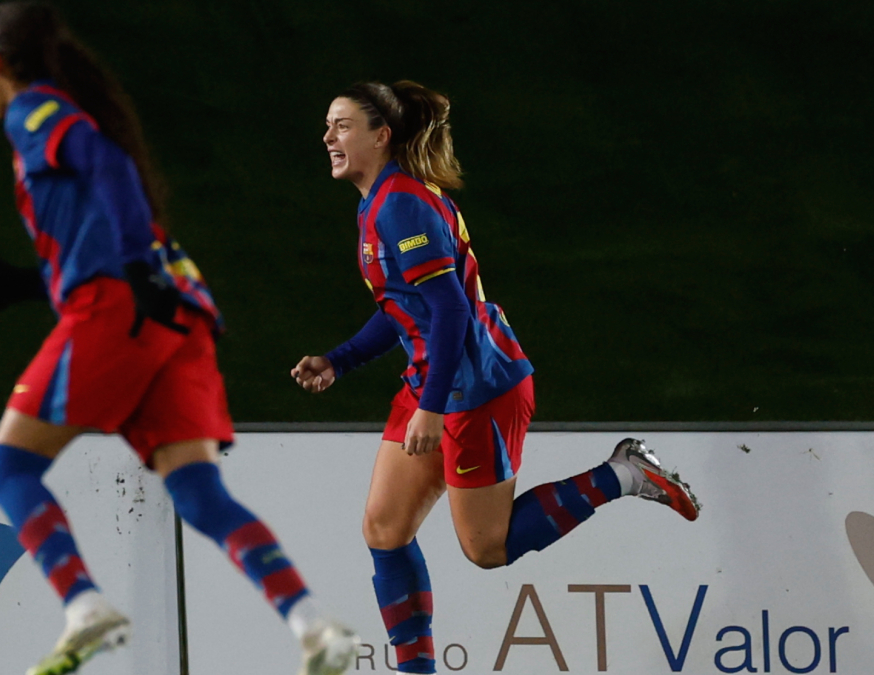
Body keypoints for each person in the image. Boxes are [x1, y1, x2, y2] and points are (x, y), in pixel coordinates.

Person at [0, 4, 358, 674]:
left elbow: (109, 166)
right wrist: (30, 284)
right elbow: (98, 222)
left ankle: (84, 606)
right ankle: (315, 625)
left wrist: (134, 268)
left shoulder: (29, 110)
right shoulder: (50, 117)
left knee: (8, 469)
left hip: (124, 304)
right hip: (177, 310)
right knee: (200, 494)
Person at [292, 80, 701, 674]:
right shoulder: (376, 202)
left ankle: (623, 475)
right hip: (436, 378)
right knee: (384, 527)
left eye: (343, 125)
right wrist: (340, 359)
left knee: (486, 548)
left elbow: (452, 309)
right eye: (329, 125)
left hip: (476, 387)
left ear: (381, 135)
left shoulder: (403, 204)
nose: (329, 136)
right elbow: (405, 307)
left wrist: (432, 408)